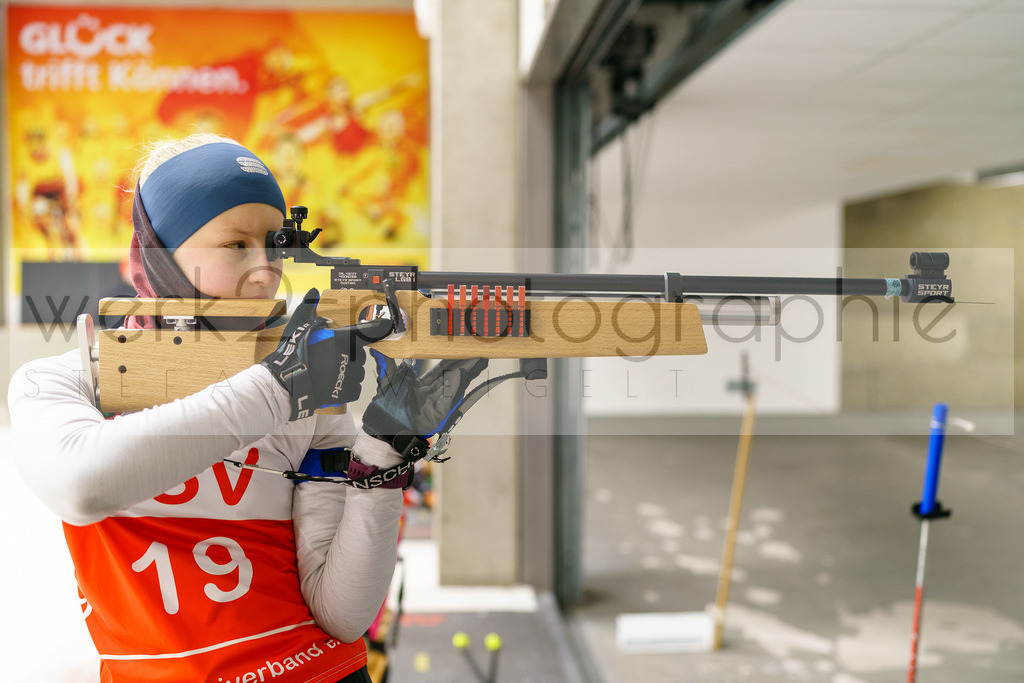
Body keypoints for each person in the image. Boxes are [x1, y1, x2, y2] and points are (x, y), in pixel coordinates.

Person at [7, 133, 485, 683]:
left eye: (275, 244)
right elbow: (80, 485)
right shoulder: (65, 380)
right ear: (158, 254)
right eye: (235, 244)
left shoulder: (310, 394)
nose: (266, 270)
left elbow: (344, 615)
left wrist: (384, 453)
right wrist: (278, 388)